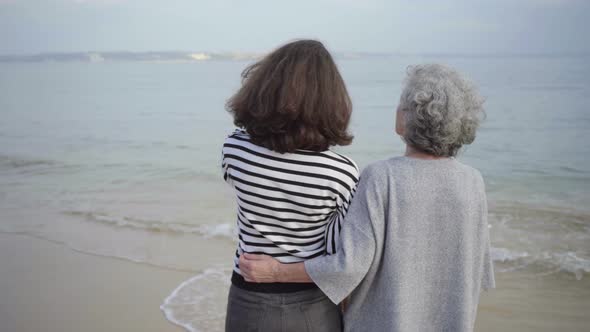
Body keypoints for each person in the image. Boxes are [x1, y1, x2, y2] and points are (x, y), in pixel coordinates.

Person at [240, 64, 495, 332]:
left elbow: (347, 267)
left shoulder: (382, 177)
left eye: (402, 105)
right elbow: (477, 271)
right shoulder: (473, 181)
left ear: (408, 119)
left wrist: (276, 272)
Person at [222, 39, 360, 332]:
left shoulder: (234, 148)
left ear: (265, 88)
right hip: (313, 307)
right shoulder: (340, 173)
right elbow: (338, 258)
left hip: (247, 297)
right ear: (330, 100)